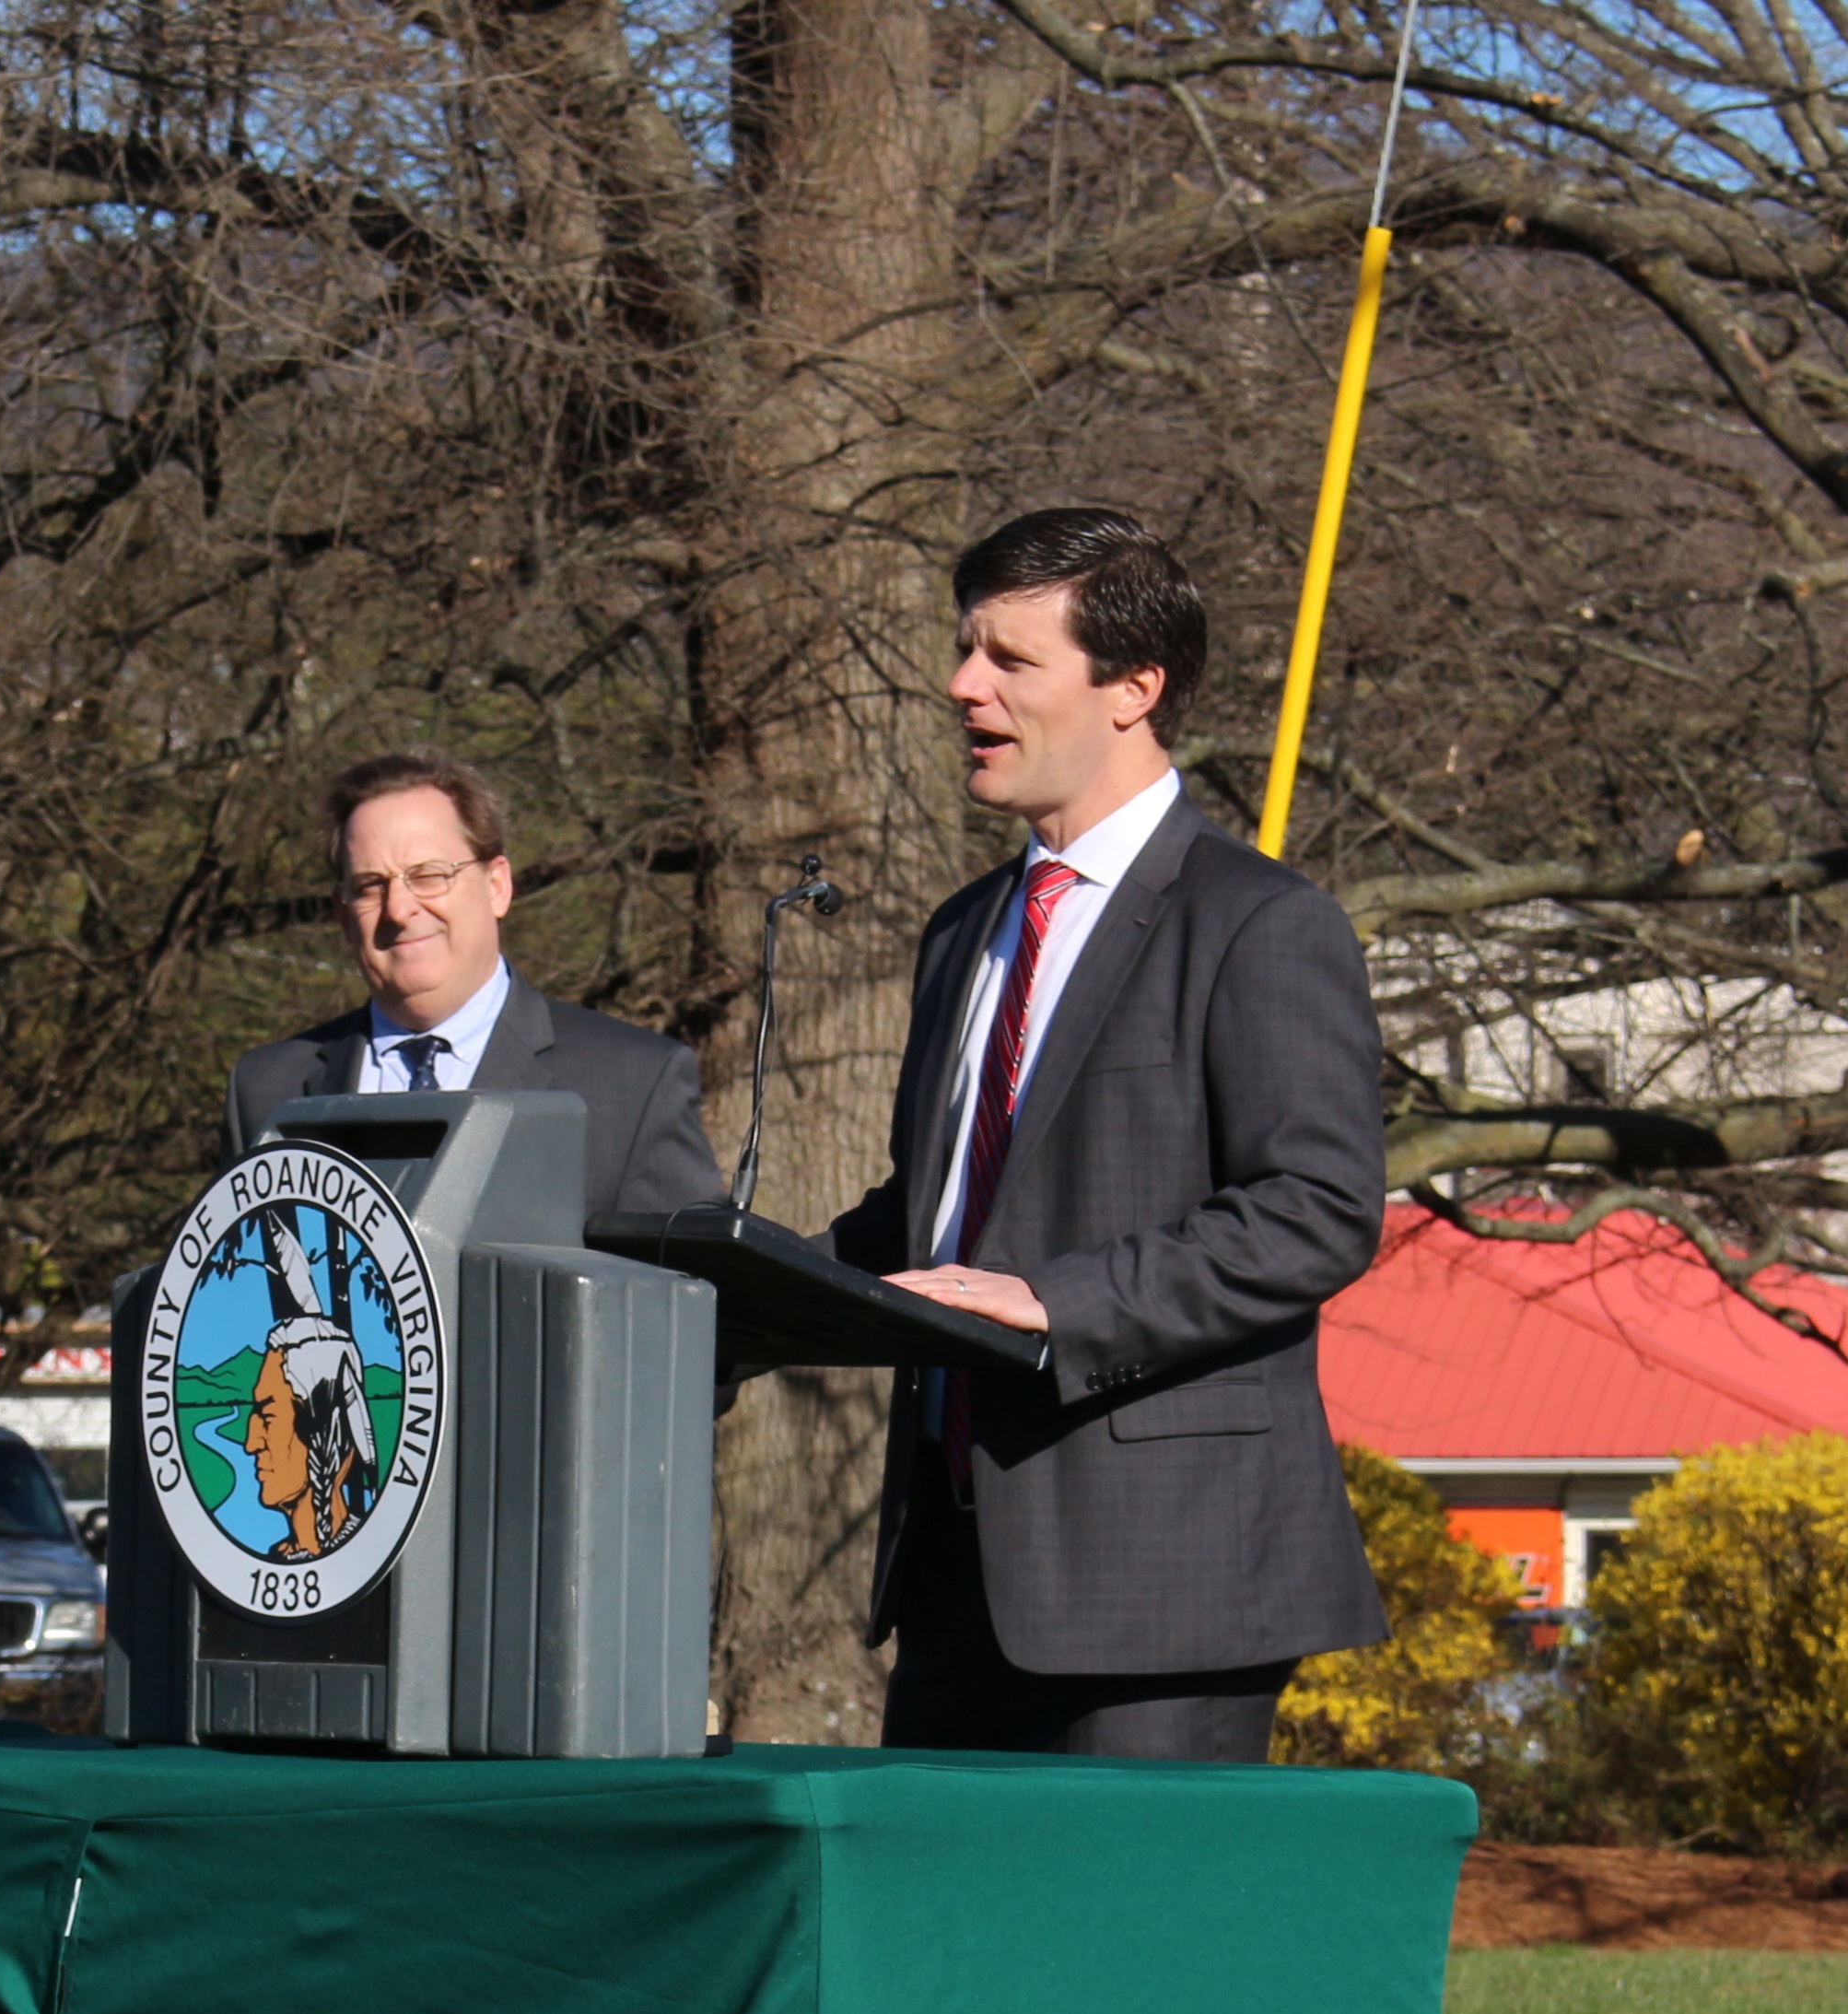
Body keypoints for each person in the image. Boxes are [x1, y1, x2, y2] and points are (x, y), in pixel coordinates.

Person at [825, 507, 1388, 1761]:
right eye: (965, 650)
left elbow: (1313, 1210)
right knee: (955, 1956)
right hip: (952, 1565)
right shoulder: (961, 930)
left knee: (1132, 1954)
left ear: (1132, 687)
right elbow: (935, 1215)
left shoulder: (1258, 924)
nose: (961, 684)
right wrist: (742, 1291)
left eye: (1008, 660)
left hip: (1166, 1583)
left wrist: (1053, 1302)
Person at [229, 753, 724, 1217]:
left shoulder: (631, 1086)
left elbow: (693, 1297)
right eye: (369, 887)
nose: (399, 909)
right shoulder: (268, 1090)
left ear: (497, 886)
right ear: (342, 913)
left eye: (428, 876)